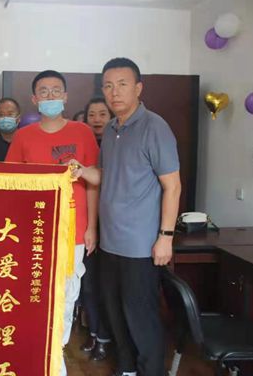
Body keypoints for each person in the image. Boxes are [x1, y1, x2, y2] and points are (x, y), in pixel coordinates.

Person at [76, 58, 181, 376]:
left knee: (140, 316)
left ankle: (151, 371)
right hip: (111, 242)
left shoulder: (155, 127)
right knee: (116, 313)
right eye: (108, 86)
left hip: (140, 245)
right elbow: (105, 175)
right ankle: (126, 368)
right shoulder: (111, 129)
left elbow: (172, 186)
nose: (114, 92)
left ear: (138, 88)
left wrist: (165, 237)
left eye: (122, 84)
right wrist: (80, 171)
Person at [5, 70, 99, 376]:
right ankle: (34, 355)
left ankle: (55, 358)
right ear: (34, 99)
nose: (50, 96)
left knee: (67, 295)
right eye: (43, 91)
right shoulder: (23, 137)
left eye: (56, 90)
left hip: (74, 232)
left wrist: (92, 226)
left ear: (66, 97)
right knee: (34, 293)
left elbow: (95, 180)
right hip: (34, 231)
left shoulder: (82, 133)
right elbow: (9, 184)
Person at [78, 97, 114, 361]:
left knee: (108, 287)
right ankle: (94, 333)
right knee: (89, 286)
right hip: (88, 227)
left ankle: (106, 337)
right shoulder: (82, 147)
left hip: (113, 228)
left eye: (103, 114)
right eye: (92, 115)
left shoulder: (116, 146)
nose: (97, 119)